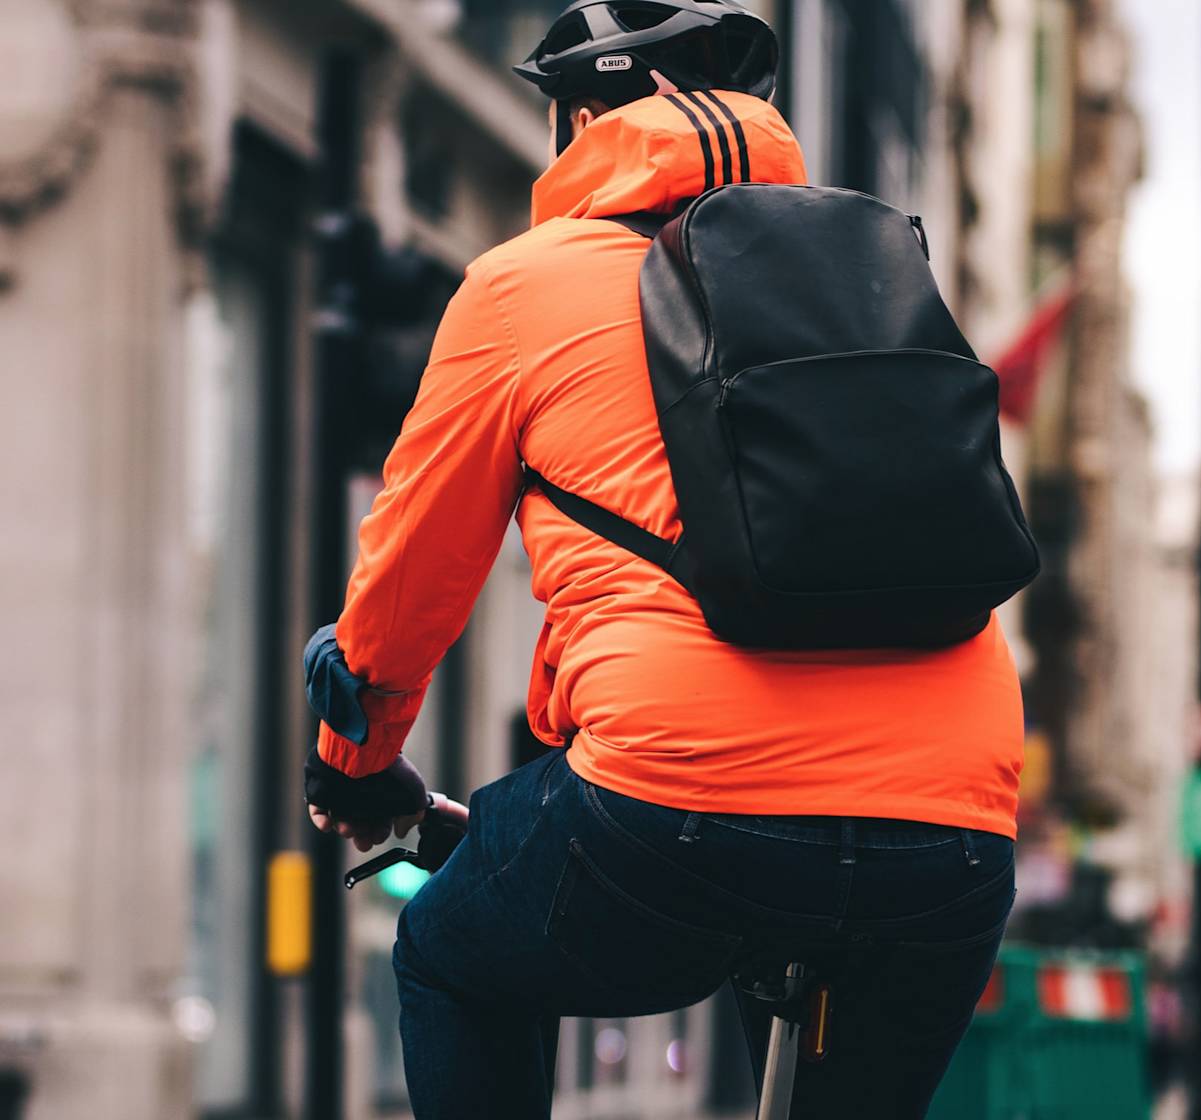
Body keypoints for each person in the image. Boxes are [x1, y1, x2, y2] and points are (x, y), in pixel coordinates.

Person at [302, 3, 1024, 1117]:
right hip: (952, 830)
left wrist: (355, 764)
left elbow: (410, 571)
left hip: (672, 805)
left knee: (450, 954)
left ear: (582, 117)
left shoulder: (522, 283)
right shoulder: (877, 268)